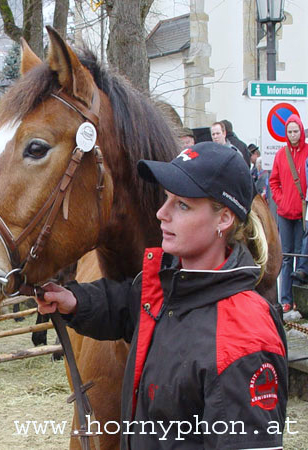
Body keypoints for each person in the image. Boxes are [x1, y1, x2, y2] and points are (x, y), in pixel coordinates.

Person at [36, 142, 287, 448]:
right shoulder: (172, 285)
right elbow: (127, 308)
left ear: (224, 219)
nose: (161, 213)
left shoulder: (245, 339)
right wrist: (74, 302)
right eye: (167, 199)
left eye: (182, 205)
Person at [270, 114, 308, 312]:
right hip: (285, 212)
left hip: (303, 212)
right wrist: (281, 200)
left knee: (302, 255)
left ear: (301, 131)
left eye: (296, 131)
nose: (293, 135)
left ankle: (299, 297)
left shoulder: (307, 152)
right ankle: (285, 299)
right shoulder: (281, 155)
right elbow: (273, 181)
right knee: (286, 257)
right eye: (290, 131)